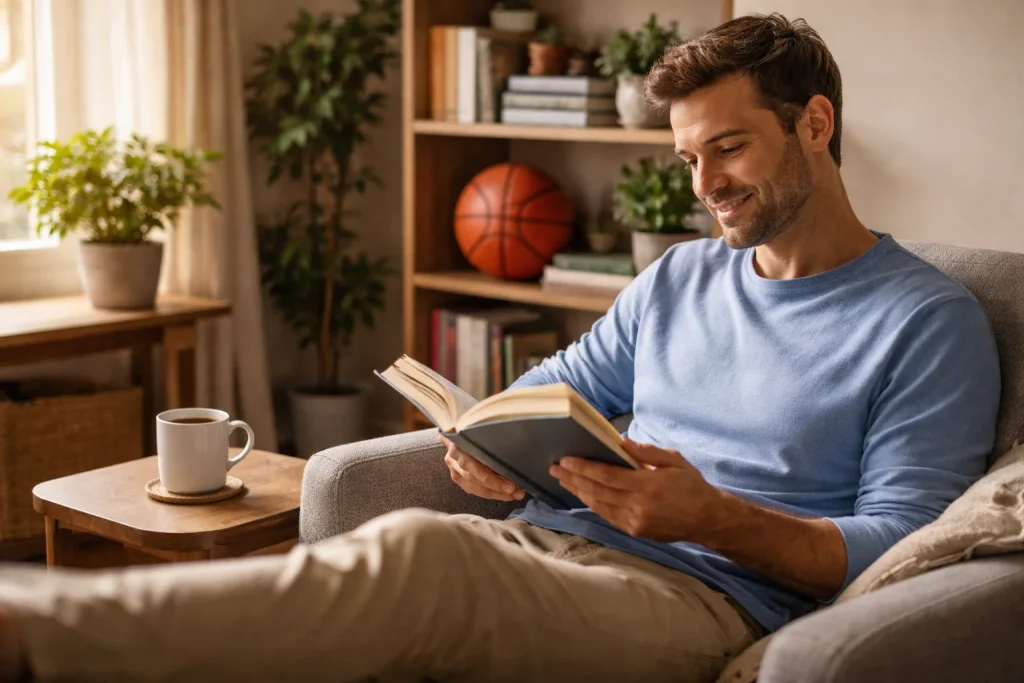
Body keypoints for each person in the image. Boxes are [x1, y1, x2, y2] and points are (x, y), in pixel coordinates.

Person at [0, 12, 1001, 683]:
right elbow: (555, 382)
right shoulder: (679, 279)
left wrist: (716, 516)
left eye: (728, 148)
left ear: (814, 124)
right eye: (689, 157)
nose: (704, 184)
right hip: (545, 543)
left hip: (702, 595)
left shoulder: (925, 322)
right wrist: (487, 437)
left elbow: (900, 546)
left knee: (414, 558)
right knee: (373, 589)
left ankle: (39, 632)